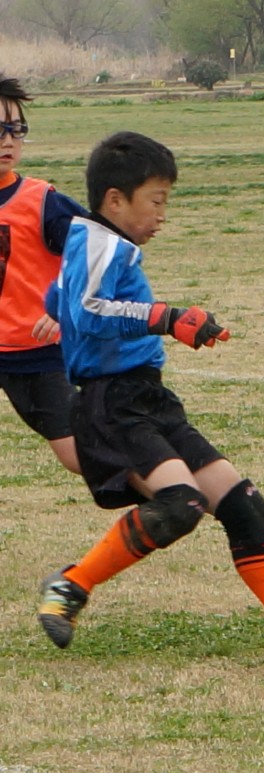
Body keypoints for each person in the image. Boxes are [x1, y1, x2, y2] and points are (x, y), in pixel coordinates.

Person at [37, 131, 264, 657]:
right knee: (181, 504)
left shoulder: (98, 241)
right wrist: (167, 318)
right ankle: (71, 585)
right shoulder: (100, 241)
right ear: (115, 199)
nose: (162, 215)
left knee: (241, 503)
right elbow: (88, 309)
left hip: (146, 397)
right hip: (112, 404)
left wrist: (61, 312)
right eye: (156, 201)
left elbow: (61, 299)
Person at [0, 74, 86, 474]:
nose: (8, 140)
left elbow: (101, 250)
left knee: (80, 456)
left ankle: (176, 491)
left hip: (34, 352)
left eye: (16, 129)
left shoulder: (41, 201)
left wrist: (63, 303)